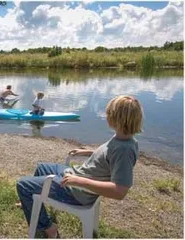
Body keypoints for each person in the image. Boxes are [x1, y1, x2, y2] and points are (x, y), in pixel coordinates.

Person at [16, 95, 143, 238]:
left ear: (116, 119)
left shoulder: (124, 150)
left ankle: (48, 227)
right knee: (42, 168)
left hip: (77, 192)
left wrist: (77, 181)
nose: (106, 116)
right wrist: (89, 152)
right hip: (77, 175)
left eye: (108, 113)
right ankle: (32, 204)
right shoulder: (123, 138)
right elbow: (107, 157)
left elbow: (119, 191)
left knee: (23, 185)